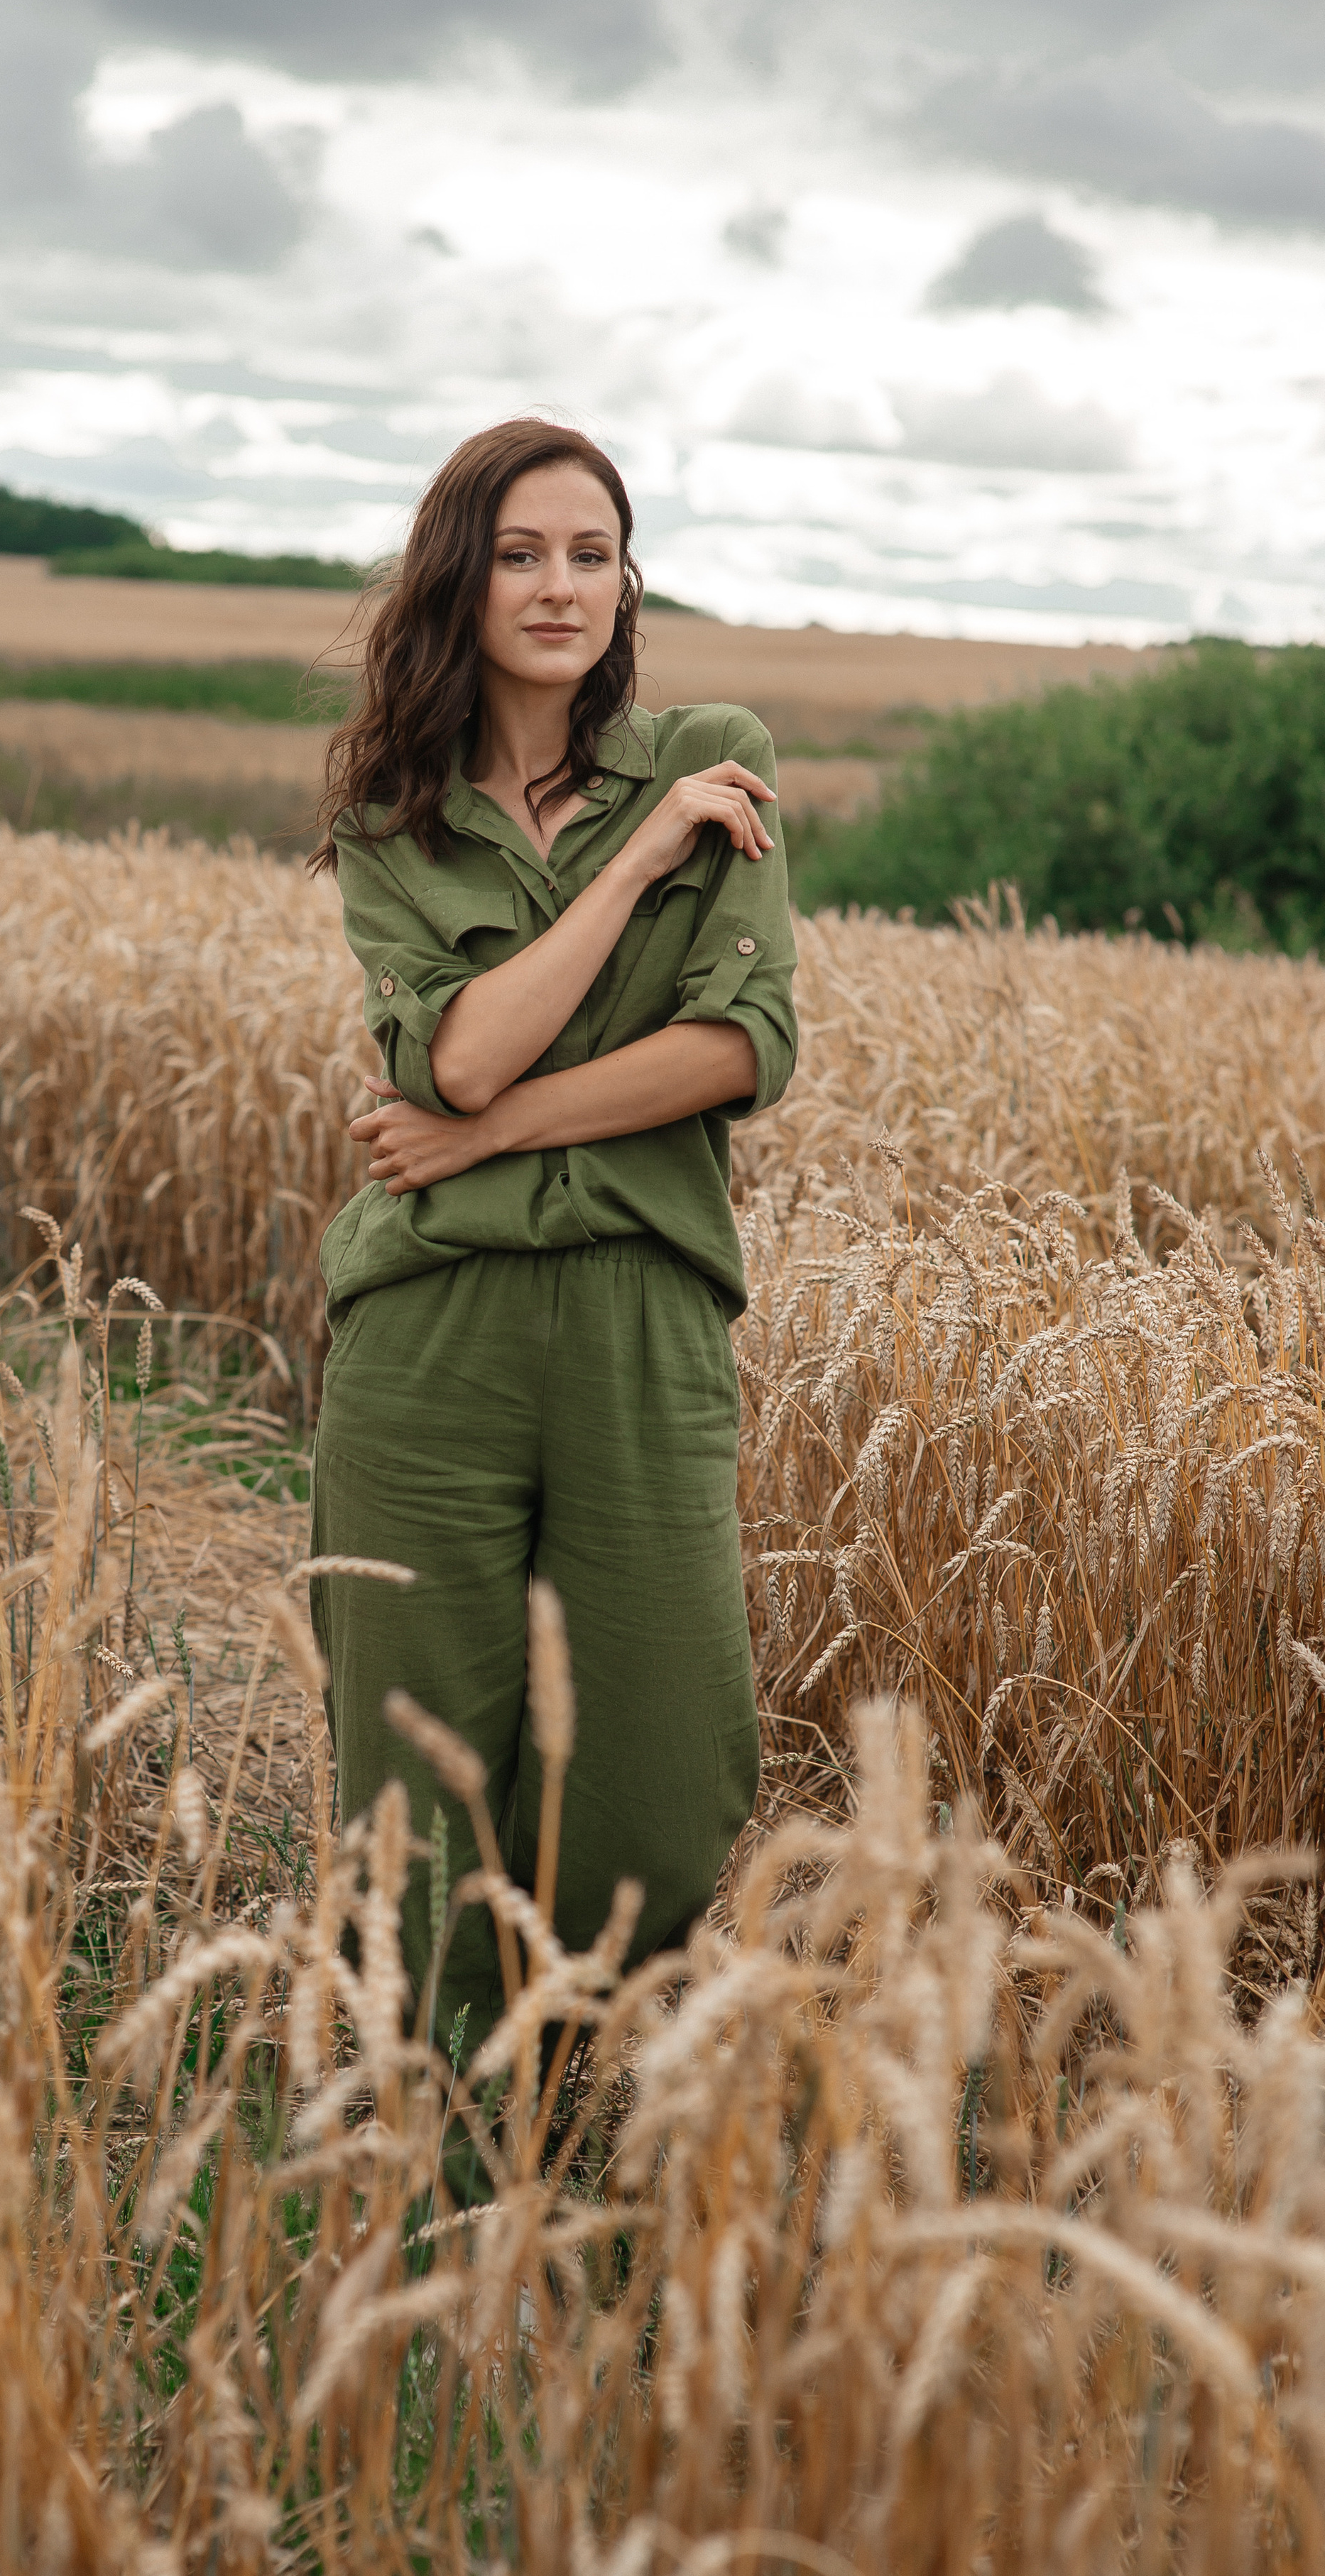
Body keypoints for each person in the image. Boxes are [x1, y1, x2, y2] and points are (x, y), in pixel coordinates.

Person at [306, 416, 797, 2081]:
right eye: (520, 552)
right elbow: (454, 1052)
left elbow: (740, 1050)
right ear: (461, 573)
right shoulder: (393, 815)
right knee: (414, 1759)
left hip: (639, 1313)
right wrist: (642, 860)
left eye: (591, 552)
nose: (559, 585)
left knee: (664, 1773)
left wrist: (492, 1131)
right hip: (426, 1326)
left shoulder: (718, 745)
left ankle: (551, 2048)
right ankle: (449, 2141)